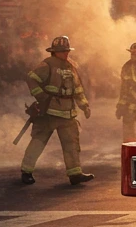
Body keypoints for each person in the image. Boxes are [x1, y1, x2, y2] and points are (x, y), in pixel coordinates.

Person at [21, 36, 94, 185]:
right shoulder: (47, 65)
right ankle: (26, 171)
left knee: (71, 145)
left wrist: (84, 105)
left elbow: (78, 89)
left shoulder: (71, 66)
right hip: (48, 112)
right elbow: (31, 78)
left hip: (67, 113)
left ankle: (75, 174)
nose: (65, 53)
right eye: (62, 51)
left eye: (67, 50)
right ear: (54, 52)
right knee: (38, 142)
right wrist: (41, 96)